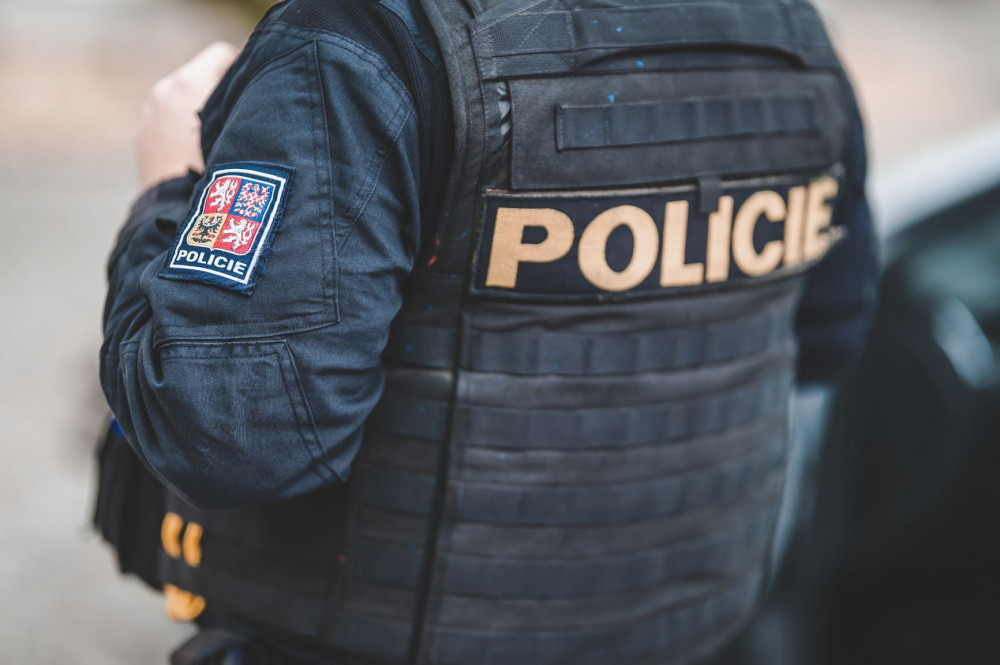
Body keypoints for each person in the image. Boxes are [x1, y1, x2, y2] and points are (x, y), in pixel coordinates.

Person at [96, 0, 878, 663]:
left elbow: (233, 429)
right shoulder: (791, 35)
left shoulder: (361, 40)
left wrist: (166, 192)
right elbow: (829, 335)